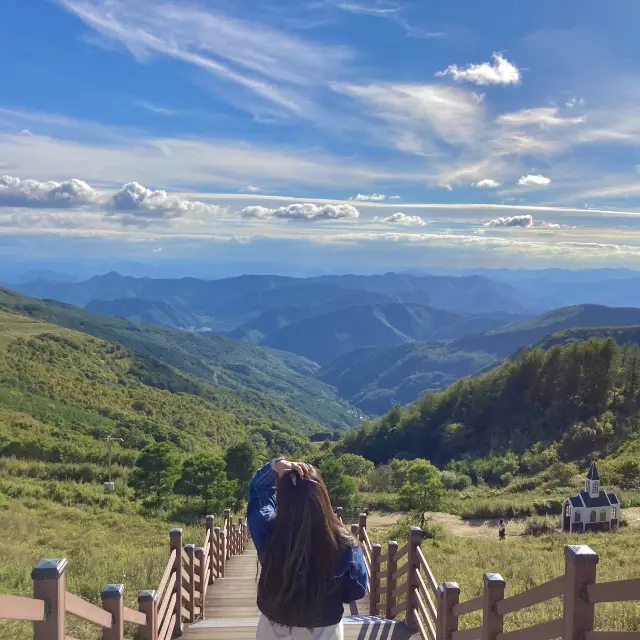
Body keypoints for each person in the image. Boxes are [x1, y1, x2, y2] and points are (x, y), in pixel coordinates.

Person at [247, 458, 368, 640]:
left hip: (273, 627)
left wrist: (276, 465)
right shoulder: (344, 543)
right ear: (322, 497)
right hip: (325, 630)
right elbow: (357, 590)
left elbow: (258, 489)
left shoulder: (268, 529)